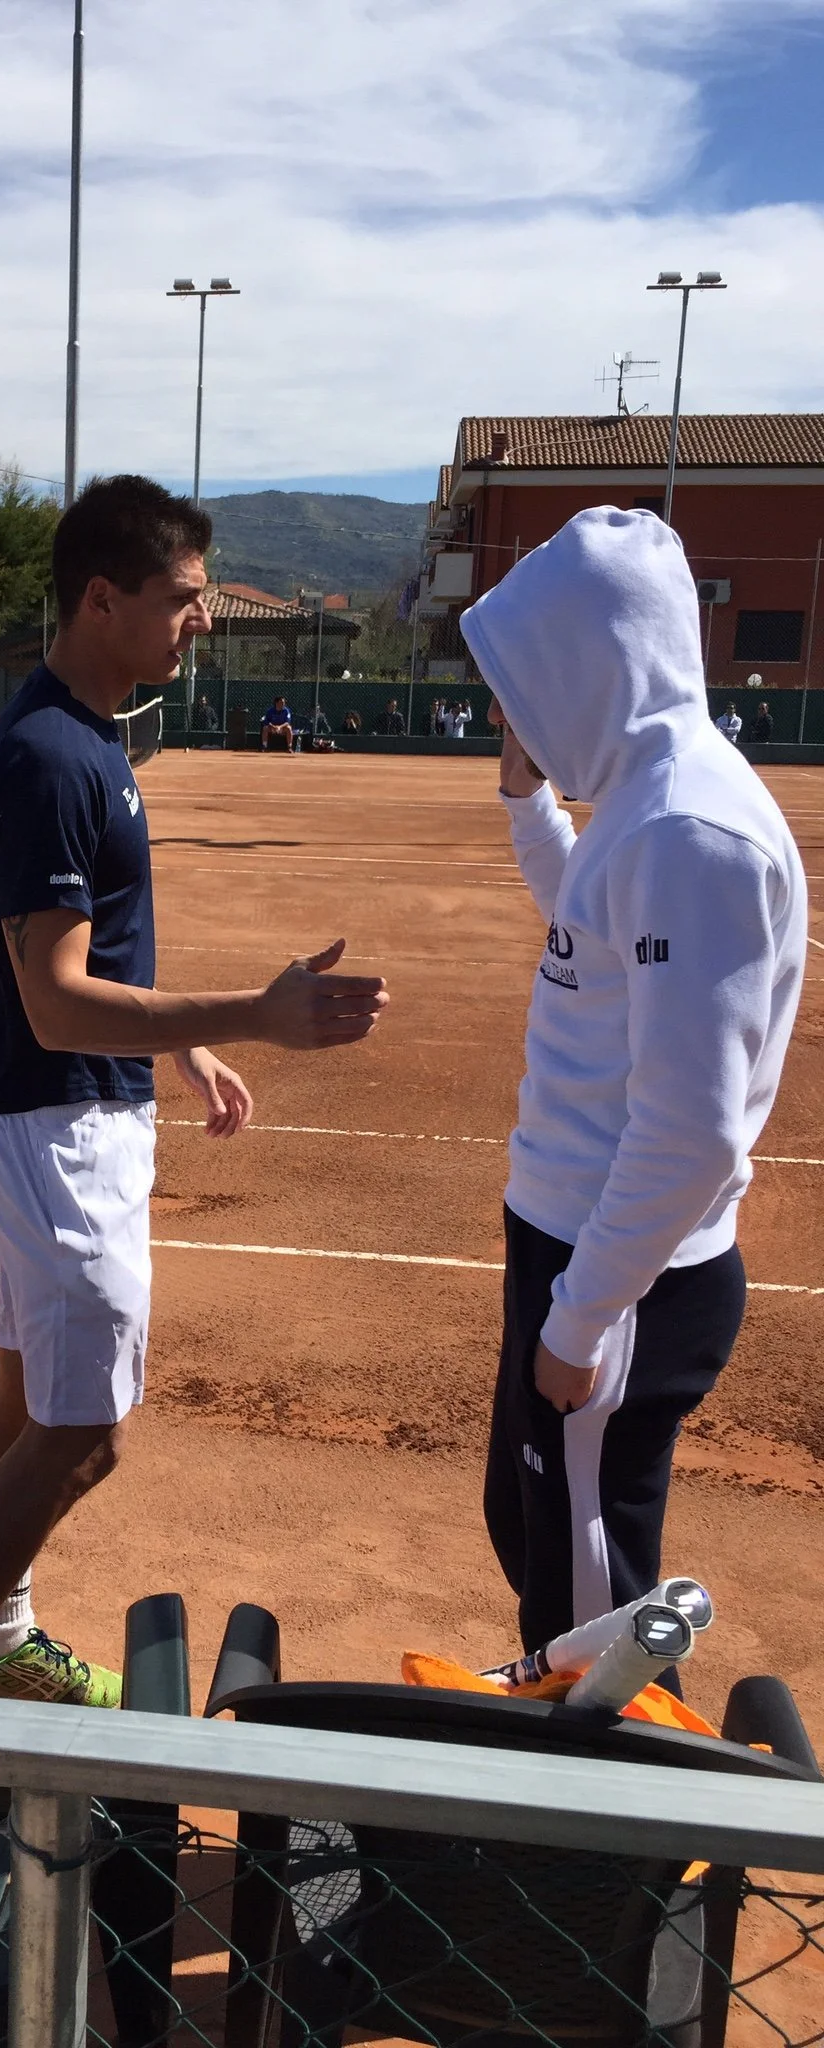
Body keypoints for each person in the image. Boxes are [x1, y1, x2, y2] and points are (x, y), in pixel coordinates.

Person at [0, 475, 389, 1704]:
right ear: (101, 598)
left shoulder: (91, 731)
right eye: (183, 598)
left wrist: (177, 1042)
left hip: (59, 1106)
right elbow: (56, 998)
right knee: (85, 1429)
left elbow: (96, 957)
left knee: (23, 1382)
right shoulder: (54, 756)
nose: (200, 620)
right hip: (57, 1125)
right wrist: (257, 1016)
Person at [460, 506, 806, 1655]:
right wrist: (527, 803)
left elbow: (693, 1132)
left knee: (586, 1588)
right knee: (539, 1527)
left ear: (589, 667)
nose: (509, 707)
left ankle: (594, 1823)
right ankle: (569, 1752)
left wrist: (583, 1312)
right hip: (580, 1244)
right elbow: (588, 928)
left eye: (524, 679)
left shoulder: (685, 829)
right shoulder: (646, 805)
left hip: (620, 1275)